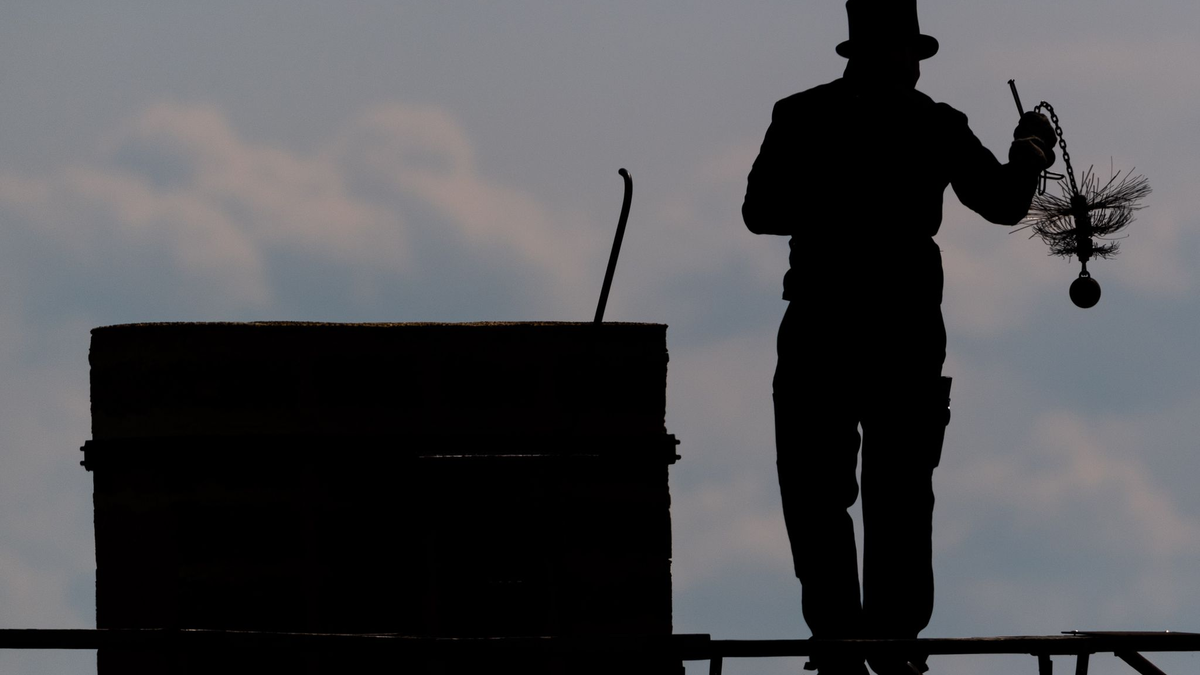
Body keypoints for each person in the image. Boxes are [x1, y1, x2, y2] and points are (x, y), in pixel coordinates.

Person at [741, 2, 1057, 674]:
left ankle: (839, 644)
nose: (915, 68)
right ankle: (891, 646)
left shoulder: (801, 115)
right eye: (912, 54)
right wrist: (1028, 154)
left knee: (818, 488)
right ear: (893, 54)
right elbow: (1002, 201)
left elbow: (761, 210)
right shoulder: (933, 125)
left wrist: (833, 205)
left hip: (821, 328)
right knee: (901, 488)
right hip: (903, 333)